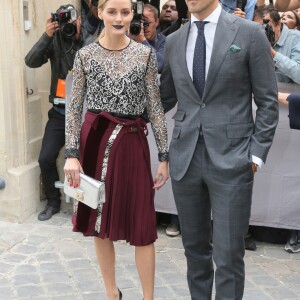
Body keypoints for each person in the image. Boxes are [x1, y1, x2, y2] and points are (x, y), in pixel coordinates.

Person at [158, 0, 279, 298]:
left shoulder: (249, 33)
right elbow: (164, 99)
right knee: (194, 252)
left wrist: (255, 155)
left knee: (228, 257)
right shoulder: (174, 41)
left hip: (234, 160)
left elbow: (268, 101)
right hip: (185, 158)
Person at [64, 0, 169, 299]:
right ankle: (112, 292)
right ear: (100, 13)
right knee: (99, 223)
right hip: (93, 143)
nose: (119, 18)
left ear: (132, 14)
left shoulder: (145, 55)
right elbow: (74, 109)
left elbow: (156, 108)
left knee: (143, 225)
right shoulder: (85, 55)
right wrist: (72, 154)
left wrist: (164, 155)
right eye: (112, 11)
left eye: (125, 12)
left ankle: (148, 297)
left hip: (132, 143)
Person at [25, 4, 83, 221]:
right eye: (64, 20)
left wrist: (79, 38)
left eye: (72, 20)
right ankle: (53, 202)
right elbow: (31, 61)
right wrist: (46, 36)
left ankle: (84, 205)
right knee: (46, 158)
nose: (68, 25)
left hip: (84, 115)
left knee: (85, 161)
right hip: (59, 113)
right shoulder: (54, 39)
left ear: (79, 21)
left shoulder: (88, 41)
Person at [264, 8, 300, 84]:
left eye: (266, 24)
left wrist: (274, 54)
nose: (263, 29)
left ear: (278, 24)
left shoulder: (296, 38)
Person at [129, 4, 165, 73]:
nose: (142, 27)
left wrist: (142, 40)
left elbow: (159, 66)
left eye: (146, 23)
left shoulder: (164, 41)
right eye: (139, 23)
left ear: (156, 22)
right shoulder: (127, 38)